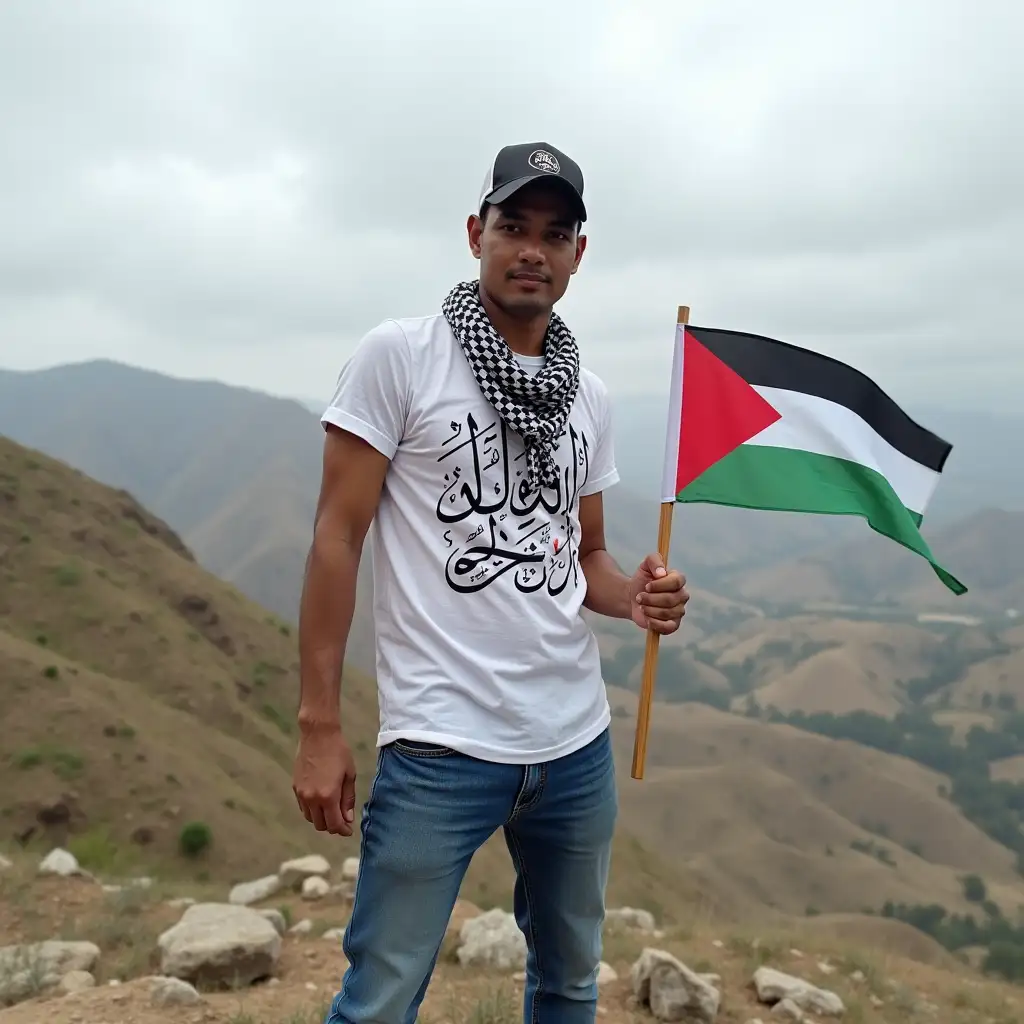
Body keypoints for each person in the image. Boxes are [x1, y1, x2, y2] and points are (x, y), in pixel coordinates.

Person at [293, 141, 690, 1024]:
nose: (532, 250)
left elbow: (582, 560)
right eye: (514, 226)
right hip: (440, 745)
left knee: (569, 982)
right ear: (477, 233)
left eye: (556, 234)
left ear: (578, 255)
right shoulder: (401, 357)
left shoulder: (588, 396)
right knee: (382, 996)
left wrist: (639, 597)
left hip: (574, 745)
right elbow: (336, 538)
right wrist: (319, 722)